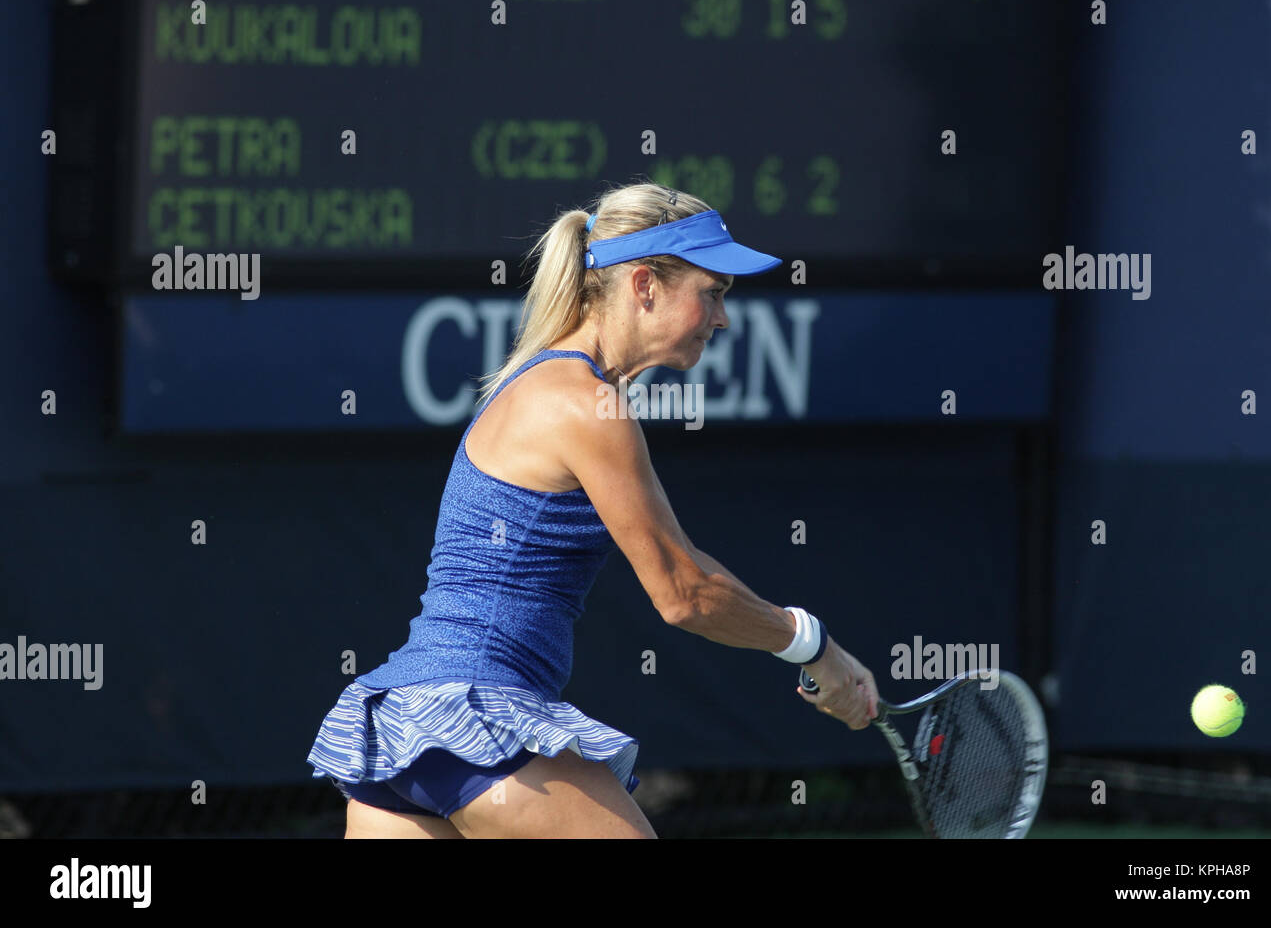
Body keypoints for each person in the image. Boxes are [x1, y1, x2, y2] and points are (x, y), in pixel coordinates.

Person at [307, 182, 879, 838]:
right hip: (474, 718)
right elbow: (683, 592)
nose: (723, 318)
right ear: (645, 286)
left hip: (401, 739)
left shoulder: (547, 386)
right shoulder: (585, 404)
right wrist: (814, 646)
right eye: (713, 293)